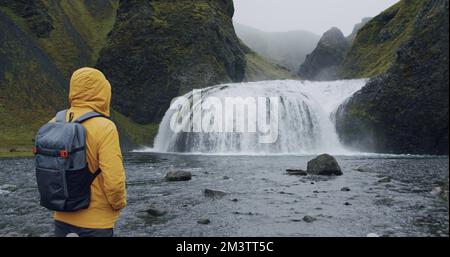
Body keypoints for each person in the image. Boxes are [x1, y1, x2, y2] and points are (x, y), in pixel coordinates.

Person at [53, 67, 127, 237]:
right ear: (103, 91)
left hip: (61, 218)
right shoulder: (105, 127)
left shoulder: (55, 122)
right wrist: (118, 204)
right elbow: (114, 181)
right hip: (96, 223)